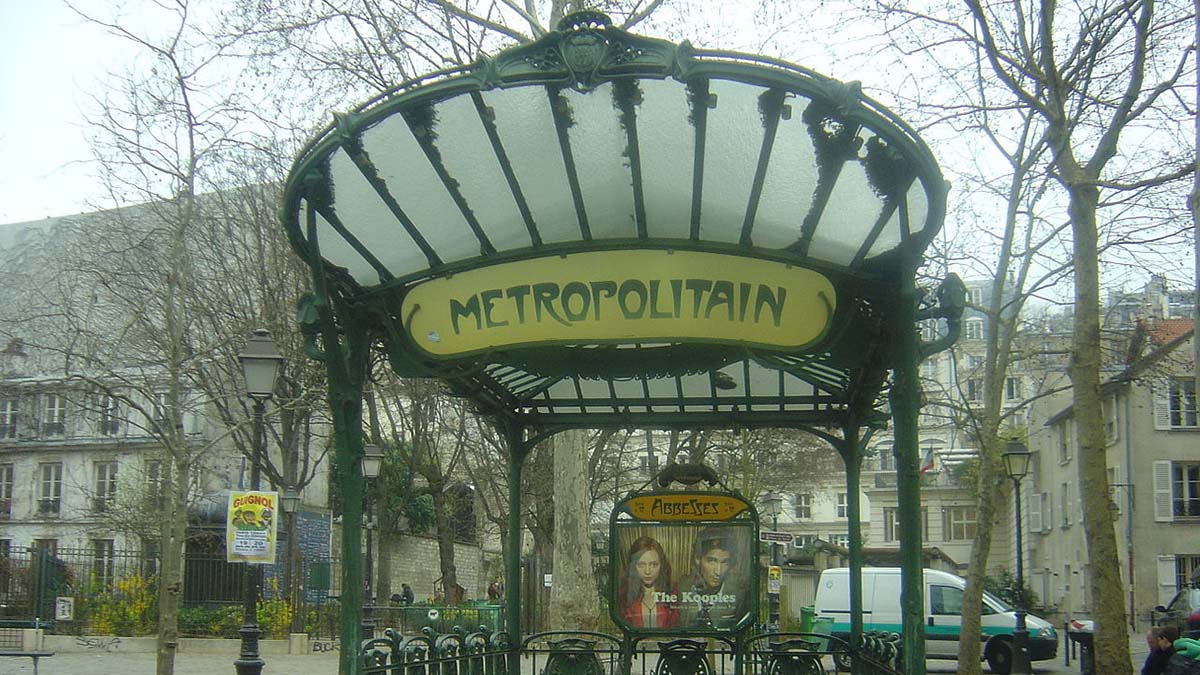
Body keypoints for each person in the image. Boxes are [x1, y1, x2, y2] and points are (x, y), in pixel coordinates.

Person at [680, 527, 744, 628]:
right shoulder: (680, 588)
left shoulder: (739, 595)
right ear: (697, 559)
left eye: (724, 562)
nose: (718, 572)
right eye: (712, 561)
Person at [617, 535, 679, 628]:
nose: (647, 571)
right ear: (633, 567)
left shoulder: (672, 593)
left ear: (662, 565)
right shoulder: (625, 595)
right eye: (641, 565)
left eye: (654, 564)